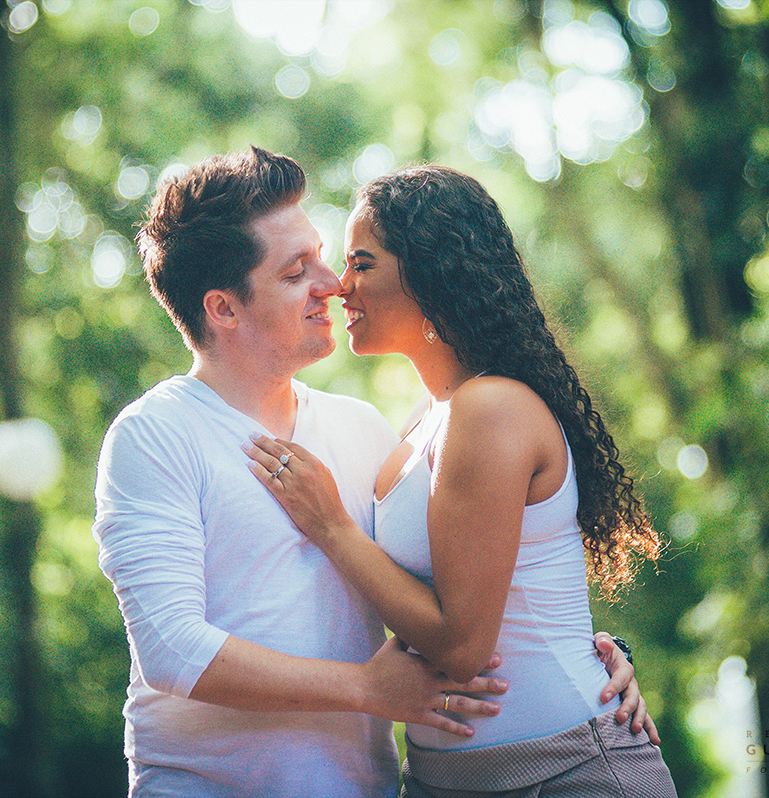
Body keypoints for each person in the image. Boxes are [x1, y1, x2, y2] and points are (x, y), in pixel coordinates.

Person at [93, 147, 650, 797]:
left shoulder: (366, 432)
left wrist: (599, 655)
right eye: (298, 270)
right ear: (223, 308)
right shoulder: (154, 435)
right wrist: (365, 689)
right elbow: (171, 650)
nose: (332, 284)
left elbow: (457, 593)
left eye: (336, 259)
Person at [243, 164, 676, 797]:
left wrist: (332, 525)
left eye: (361, 264)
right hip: (440, 779)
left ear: (428, 273)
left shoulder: (490, 407)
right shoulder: (427, 420)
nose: (339, 286)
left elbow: (462, 646)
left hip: (568, 772)